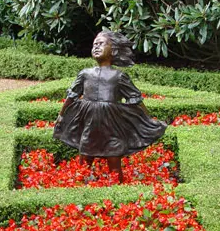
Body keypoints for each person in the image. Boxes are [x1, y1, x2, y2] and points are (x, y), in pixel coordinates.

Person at [53, 31, 168, 183]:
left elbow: (135, 99)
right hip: (89, 126)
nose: (96, 47)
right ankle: (80, 190)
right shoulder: (85, 74)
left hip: (112, 125)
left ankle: (118, 194)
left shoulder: (119, 76)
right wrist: (61, 115)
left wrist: (148, 119)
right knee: (84, 161)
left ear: (113, 50)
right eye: (94, 44)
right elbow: (72, 96)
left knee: (114, 162)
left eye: (101, 44)